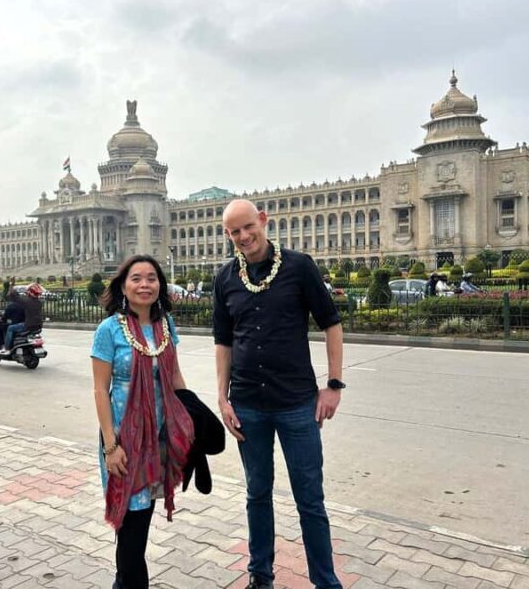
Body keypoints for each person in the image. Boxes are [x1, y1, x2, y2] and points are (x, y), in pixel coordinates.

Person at [214, 199, 344, 589]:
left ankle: (326, 581)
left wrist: (334, 385)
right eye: (234, 232)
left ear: (263, 221)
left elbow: (332, 324)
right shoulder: (225, 278)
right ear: (228, 235)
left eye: (248, 227)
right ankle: (261, 575)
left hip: (297, 406)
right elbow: (224, 342)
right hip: (248, 406)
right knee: (257, 494)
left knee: (310, 500)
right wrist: (223, 398)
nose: (243, 237)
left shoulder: (298, 267)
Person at [91, 255, 194, 589]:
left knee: (140, 525)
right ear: (123, 286)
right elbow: (100, 390)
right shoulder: (109, 330)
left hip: (158, 439)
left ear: (160, 285)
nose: (145, 284)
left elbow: (174, 375)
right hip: (122, 439)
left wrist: (191, 422)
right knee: (130, 532)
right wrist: (110, 447)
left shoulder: (166, 326)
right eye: (136, 278)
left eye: (151, 278)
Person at [0, 278, 43, 355]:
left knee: (10, 328)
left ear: (30, 292)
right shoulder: (39, 302)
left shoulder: (27, 302)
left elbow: (14, 296)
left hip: (28, 325)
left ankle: (7, 348)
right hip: (38, 326)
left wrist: (12, 285)